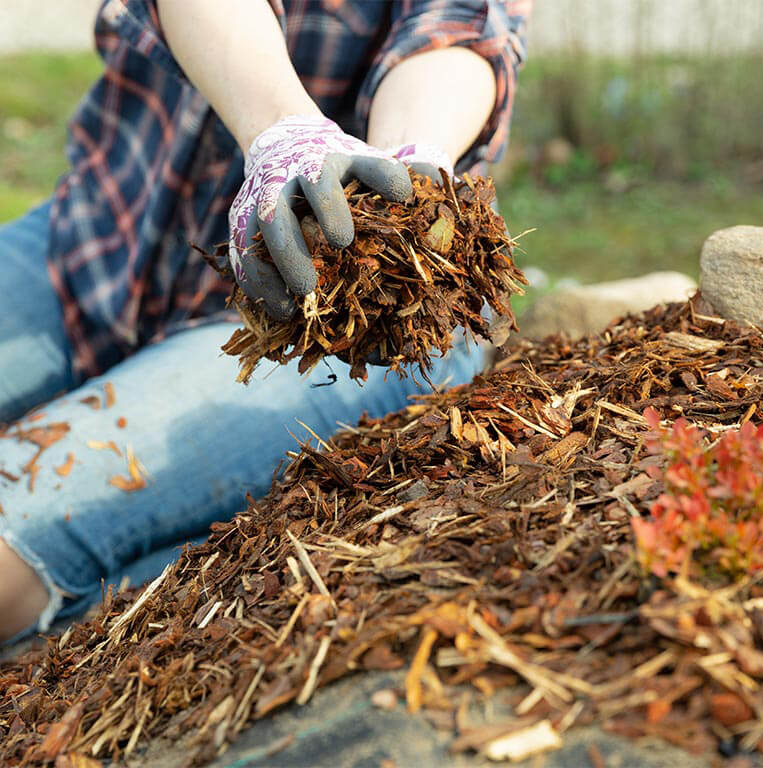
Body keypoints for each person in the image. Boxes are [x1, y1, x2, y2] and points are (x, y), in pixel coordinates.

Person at [0, 0, 531, 643]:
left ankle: (162, 582)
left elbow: (456, 31)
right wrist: (287, 135)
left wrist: (409, 162)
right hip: (100, 236)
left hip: (332, 324)